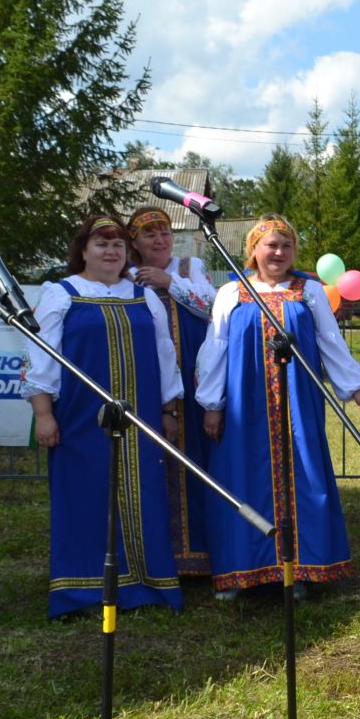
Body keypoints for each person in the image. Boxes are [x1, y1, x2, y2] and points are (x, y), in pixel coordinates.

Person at [197, 215, 360, 599]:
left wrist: (357, 389)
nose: (278, 252)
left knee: (303, 475)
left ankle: (301, 568)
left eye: (286, 246)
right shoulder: (234, 292)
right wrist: (212, 404)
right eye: (270, 245)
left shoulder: (307, 292)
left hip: (299, 401)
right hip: (245, 406)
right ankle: (240, 570)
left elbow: (331, 343)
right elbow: (216, 349)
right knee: (242, 477)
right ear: (253, 251)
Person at [27, 213, 185, 619]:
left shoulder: (143, 296)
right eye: (101, 243)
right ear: (82, 251)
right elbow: (42, 359)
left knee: (144, 494)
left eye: (118, 245)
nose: (111, 251)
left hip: (142, 418)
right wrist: (44, 414)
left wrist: (169, 409)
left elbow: (165, 356)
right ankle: (81, 589)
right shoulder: (62, 294)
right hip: (81, 419)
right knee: (86, 495)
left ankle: (147, 583)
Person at [126, 206, 217, 579]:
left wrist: (169, 283)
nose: (159, 240)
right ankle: (158, 556)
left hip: (195, 383)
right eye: (149, 234)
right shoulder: (125, 276)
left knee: (198, 462)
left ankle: (201, 554)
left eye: (164, 232)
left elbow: (214, 307)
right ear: (135, 242)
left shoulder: (188, 268)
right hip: (149, 384)